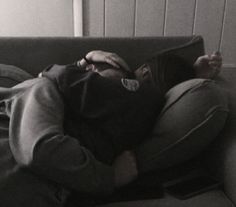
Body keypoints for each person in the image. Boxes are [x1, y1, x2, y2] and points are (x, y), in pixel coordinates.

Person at [0, 50, 223, 207]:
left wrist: (110, 178)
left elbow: (62, 81)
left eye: (96, 72)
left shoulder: (138, 95)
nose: (92, 70)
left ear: (143, 73)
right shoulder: (134, 111)